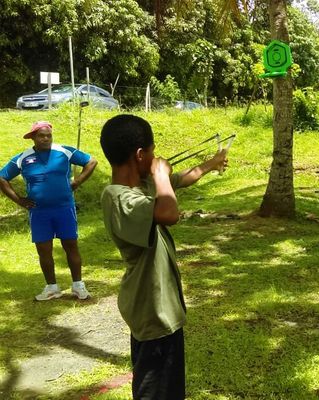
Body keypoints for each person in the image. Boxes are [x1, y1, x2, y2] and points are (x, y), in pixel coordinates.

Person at [99, 114, 227, 399]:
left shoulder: (141, 186)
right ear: (140, 154)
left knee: (169, 389)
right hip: (152, 311)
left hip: (162, 309)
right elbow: (169, 213)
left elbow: (182, 179)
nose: (157, 158)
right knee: (154, 389)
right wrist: (159, 175)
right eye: (153, 152)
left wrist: (212, 163)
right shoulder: (118, 198)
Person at [0, 121, 97, 301]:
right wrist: (19, 200)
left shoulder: (64, 152)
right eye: (41, 136)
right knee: (44, 249)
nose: (46, 139)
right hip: (39, 212)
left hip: (64, 208)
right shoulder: (23, 158)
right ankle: (52, 288)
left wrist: (77, 181)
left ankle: (78, 286)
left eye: (48, 135)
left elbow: (91, 161)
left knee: (71, 245)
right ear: (33, 138)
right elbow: (2, 177)